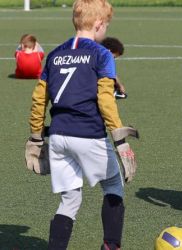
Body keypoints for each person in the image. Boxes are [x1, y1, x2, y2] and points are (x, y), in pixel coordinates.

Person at [25, 0, 136, 249]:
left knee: (70, 200)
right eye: (105, 26)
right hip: (88, 134)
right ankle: (110, 246)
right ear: (98, 25)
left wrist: (35, 135)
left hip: (58, 136)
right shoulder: (101, 53)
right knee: (113, 185)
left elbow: (38, 99)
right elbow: (106, 99)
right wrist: (119, 138)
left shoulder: (54, 55)